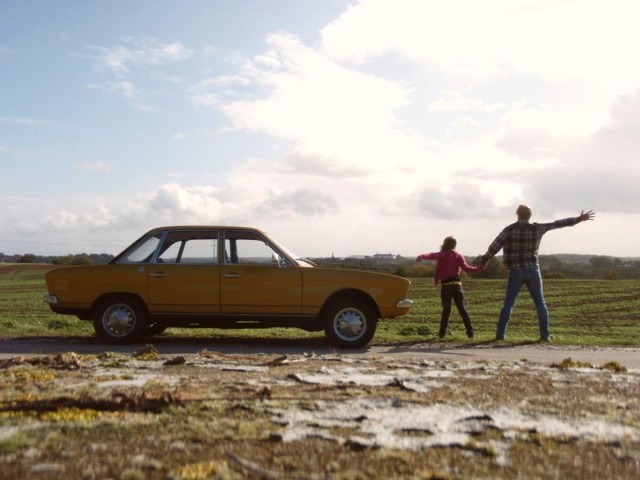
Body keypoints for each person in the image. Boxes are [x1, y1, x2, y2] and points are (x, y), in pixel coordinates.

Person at [479, 205, 595, 341]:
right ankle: (545, 336)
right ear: (530, 216)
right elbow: (557, 224)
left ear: (517, 214)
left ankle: (500, 336)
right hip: (533, 270)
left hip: (515, 271)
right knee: (540, 303)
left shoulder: (509, 229)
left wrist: (484, 260)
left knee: (509, 303)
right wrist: (578, 219)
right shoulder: (536, 228)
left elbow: (495, 246)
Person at [416, 236, 485, 339]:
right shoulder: (458, 255)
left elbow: (431, 255)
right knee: (462, 309)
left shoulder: (442, 254)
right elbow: (467, 268)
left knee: (446, 310)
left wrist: (421, 256)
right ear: (454, 245)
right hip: (457, 285)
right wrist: (479, 268)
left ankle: (442, 333)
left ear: (445, 244)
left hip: (446, 286)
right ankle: (470, 332)